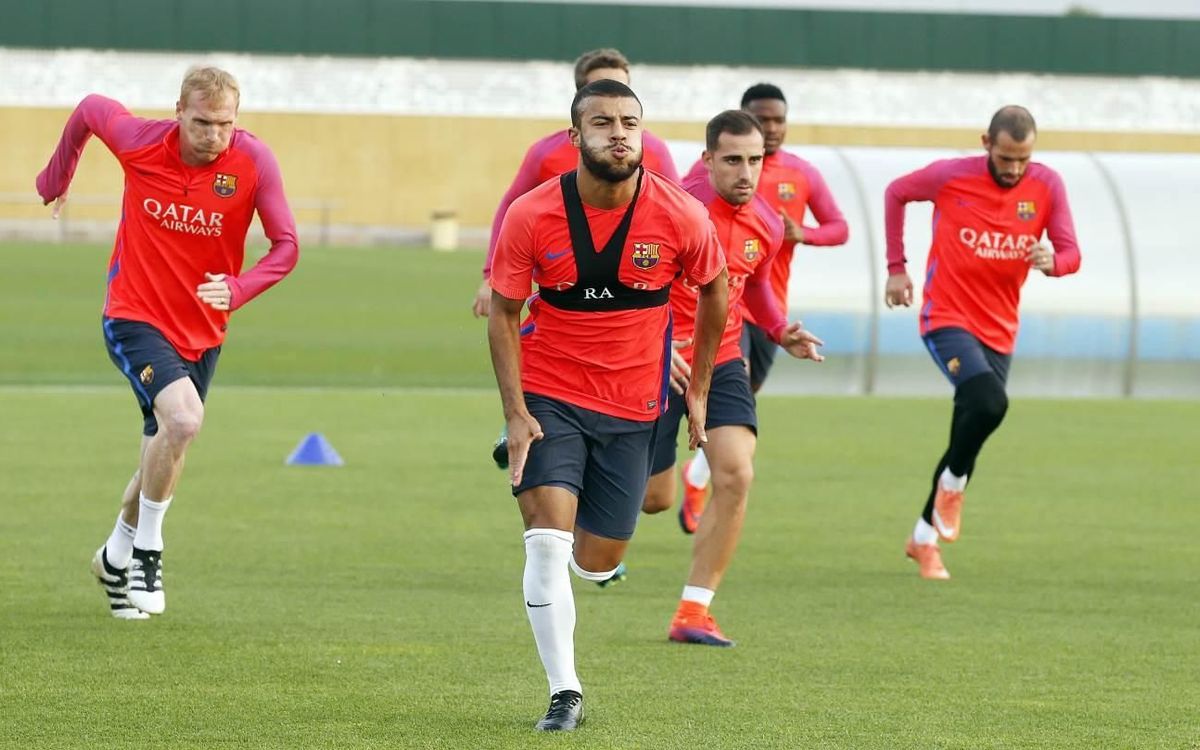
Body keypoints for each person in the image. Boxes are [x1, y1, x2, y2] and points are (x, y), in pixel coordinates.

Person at [488, 79, 727, 731]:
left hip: (634, 405)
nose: (618, 133)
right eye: (601, 123)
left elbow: (715, 291)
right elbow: (505, 312)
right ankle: (565, 693)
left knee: (598, 560)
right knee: (544, 543)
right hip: (551, 396)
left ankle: (579, 535)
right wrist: (515, 412)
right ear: (575, 139)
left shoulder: (680, 215)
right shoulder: (532, 215)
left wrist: (699, 390)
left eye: (630, 121)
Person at [35, 66, 299, 618]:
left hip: (201, 330)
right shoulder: (139, 141)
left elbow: (286, 247)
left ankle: (114, 555)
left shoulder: (253, 162)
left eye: (225, 125)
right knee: (183, 421)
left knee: (164, 446)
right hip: (133, 314)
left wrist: (240, 286)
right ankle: (149, 552)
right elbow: (89, 107)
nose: (213, 136)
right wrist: (57, 176)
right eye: (202, 123)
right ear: (178, 110)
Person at [640, 111, 824, 647]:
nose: (746, 173)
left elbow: (756, 284)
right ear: (707, 159)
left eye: (755, 160)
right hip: (655, 360)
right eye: (733, 160)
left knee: (737, 474)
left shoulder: (766, 220)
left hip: (720, 360)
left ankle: (694, 612)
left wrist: (778, 328)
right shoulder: (671, 209)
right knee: (653, 499)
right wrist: (652, 344)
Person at [884, 105, 1081, 580]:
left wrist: (1052, 261)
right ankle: (953, 485)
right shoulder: (951, 176)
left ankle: (923, 541)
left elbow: (1072, 253)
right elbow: (896, 192)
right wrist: (896, 267)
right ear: (986, 143)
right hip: (946, 317)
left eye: (1023, 160)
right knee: (989, 403)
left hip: (1000, 329)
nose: (1014, 169)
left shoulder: (1048, 185)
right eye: (1006, 158)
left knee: (965, 435)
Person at [676, 83, 849, 532]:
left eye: (777, 121)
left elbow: (838, 229)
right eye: (762, 119)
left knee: (738, 428)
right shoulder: (687, 199)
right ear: (711, 157)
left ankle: (700, 477)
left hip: (756, 311)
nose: (771, 129)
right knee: (652, 493)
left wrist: (802, 235)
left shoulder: (794, 183)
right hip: (678, 339)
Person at [472, 47, 680, 320]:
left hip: (634, 295)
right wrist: (492, 275)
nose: (612, 98)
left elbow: (680, 220)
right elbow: (511, 207)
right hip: (563, 293)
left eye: (620, 89)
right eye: (600, 89)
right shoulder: (545, 153)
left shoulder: (654, 150)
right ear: (580, 98)